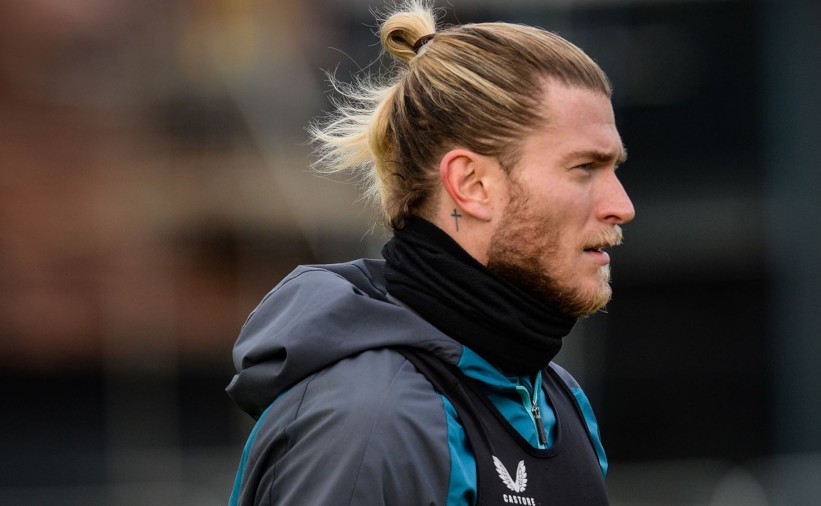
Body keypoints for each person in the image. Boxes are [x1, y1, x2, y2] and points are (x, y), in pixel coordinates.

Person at [226, 1, 634, 504]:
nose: (622, 206)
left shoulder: (556, 400)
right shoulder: (373, 422)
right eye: (584, 168)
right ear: (471, 184)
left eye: (614, 169)